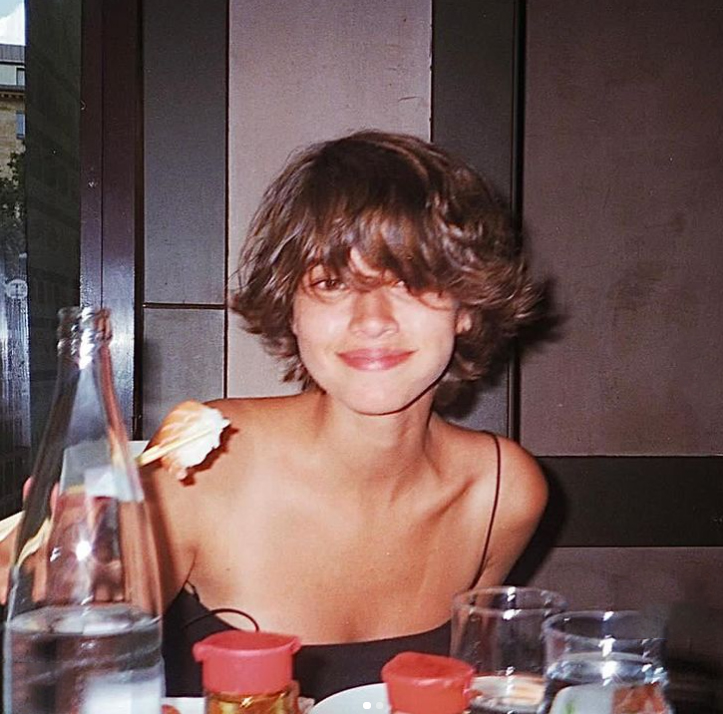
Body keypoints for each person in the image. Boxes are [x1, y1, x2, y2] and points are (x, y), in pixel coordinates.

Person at [0, 130, 547, 702]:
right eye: (331, 282)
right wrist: (64, 580)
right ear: (292, 308)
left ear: (466, 307)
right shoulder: (205, 468)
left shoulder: (503, 491)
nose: (372, 319)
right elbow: (93, 662)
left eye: (413, 280)